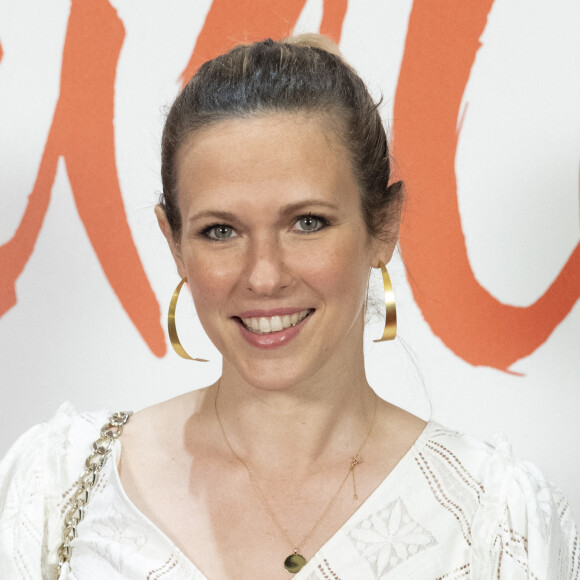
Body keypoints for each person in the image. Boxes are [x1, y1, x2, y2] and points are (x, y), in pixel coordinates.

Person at [0, 34, 577, 580]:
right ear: (172, 241)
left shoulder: (494, 521)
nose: (264, 276)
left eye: (307, 223)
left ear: (384, 226)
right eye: (220, 231)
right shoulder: (63, 484)